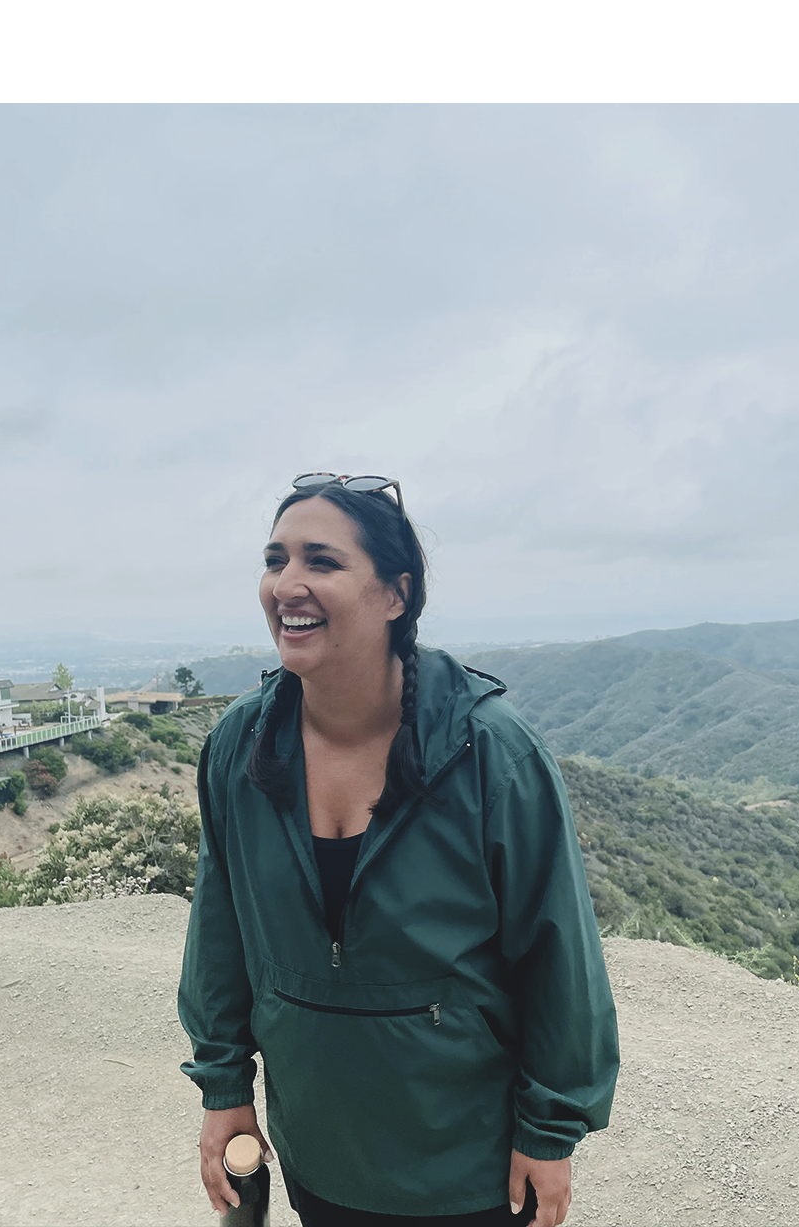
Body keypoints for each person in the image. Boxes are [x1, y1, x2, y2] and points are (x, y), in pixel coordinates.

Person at [178, 474, 619, 1227]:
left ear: (395, 594)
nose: (287, 584)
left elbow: (558, 953)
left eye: (321, 561)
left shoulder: (487, 752)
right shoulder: (242, 746)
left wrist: (549, 1131)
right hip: (318, 1148)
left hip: (466, 1166)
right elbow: (220, 928)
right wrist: (225, 1088)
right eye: (276, 559)